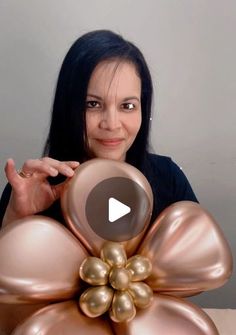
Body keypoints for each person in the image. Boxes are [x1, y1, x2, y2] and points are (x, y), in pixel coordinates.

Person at [0, 29, 198, 229]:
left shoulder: (168, 179)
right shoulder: (28, 190)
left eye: (127, 106)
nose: (111, 124)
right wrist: (14, 219)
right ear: (68, 107)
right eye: (92, 104)